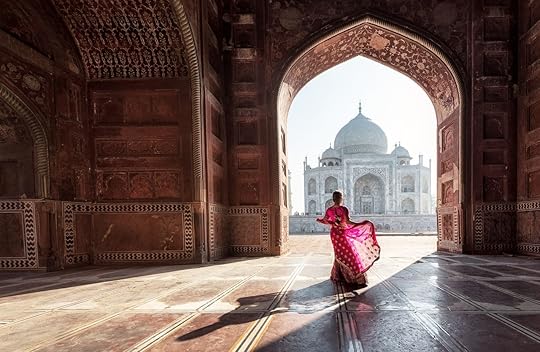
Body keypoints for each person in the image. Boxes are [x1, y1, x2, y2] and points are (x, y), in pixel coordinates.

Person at [316, 190, 380, 287]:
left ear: (333, 199)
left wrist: (321, 220)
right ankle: (354, 276)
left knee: (339, 254)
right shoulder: (343, 209)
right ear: (341, 198)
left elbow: (325, 221)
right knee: (349, 253)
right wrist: (360, 224)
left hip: (334, 234)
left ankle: (339, 276)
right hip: (342, 233)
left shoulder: (329, 210)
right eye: (340, 197)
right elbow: (348, 222)